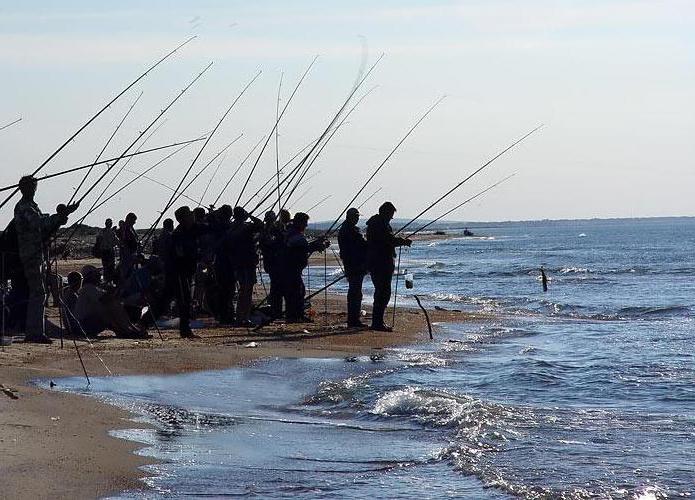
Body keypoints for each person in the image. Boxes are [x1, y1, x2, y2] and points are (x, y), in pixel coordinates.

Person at [13, 175, 78, 343]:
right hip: (31, 255)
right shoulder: (24, 207)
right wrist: (60, 216)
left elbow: (43, 224)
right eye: (31, 187)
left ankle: (36, 331)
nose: (33, 190)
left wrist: (63, 215)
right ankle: (34, 333)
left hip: (37, 253)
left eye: (34, 186)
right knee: (38, 292)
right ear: (23, 188)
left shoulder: (32, 206)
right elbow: (40, 225)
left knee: (40, 292)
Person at [365, 201, 411, 332]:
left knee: (381, 292)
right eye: (391, 214)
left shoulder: (378, 224)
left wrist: (399, 241)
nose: (392, 217)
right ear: (386, 213)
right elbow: (387, 241)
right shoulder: (380, 225)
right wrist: (402, 241)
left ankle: (378, 321)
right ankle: (377, 323)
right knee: (383, 293)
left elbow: (387, 239)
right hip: (381, 263)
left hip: (378, 262)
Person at [74, 265, 148, 338]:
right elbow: (106, 299)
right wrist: (115, 290)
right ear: (90, 276)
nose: (99, 275)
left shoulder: (90, 288)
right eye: (96, 273)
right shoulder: (88, 288)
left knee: (111, 308)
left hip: (85, 324)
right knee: (112, 307)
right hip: (83, 325)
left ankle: (128, 330)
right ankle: (129, 330)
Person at [283, 212, 329, 322]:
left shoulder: (292, 233)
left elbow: (304, 246)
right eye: (305, 223)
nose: (306, 225)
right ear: (299, 222)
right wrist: (318, 245)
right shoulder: (294, 234)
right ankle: (294, 316)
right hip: (292, 268)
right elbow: (304, 247)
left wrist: (318, 243)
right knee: (296, 291)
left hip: (292, 268)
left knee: (298, 291)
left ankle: (296, 315)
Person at [226, 207, 263, 326]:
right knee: (247, 291)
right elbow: (260, 225)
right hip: (247, 263)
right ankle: (244, 317)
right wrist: (251, 216)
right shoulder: (245, 228)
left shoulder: (231, 228)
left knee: (243, 290)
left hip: (236, 263)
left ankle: (240, 316)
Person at [170, 206, 200, 338]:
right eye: (190, 215)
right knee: (183, 299)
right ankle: (185, 329)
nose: (192, 216)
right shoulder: (179, 234)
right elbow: (180, 254)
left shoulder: (187, 232)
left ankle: (185, 328)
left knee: (183, 299)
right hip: (179, 272)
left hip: (185, 271)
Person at [338, 207, 368, 328]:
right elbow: (362, 245)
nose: (357, 219)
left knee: (354, 291)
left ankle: (353, 318)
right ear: (350, 217)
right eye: (356, 217)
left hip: (350, 263)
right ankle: (353, 320)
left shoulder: (344, 229)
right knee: (355, 292)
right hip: (355, 264)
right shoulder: (351, 231)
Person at [259, 210, 285, 318]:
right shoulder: (269, 231)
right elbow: (274, 243)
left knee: (276, 286)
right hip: (274, 262)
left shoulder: (267, 230)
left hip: (270, 262)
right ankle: (276, 310)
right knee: (276, 287)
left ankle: (276, 309)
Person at [118, 212, 139, 282]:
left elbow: (135, 237)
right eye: (133, 221)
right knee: (126, 271)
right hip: (127, 253)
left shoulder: (129, 228)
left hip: (130, 253)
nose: (134, 222)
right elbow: (126, 240)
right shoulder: (125, 229)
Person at [97, 218, 120, 283]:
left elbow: (98, 240)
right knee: (111, 266)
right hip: (109, 251)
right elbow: (116, 242)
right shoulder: (112, 232)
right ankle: (109, 280)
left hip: (103, 251)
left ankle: (106, 279)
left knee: (105, 266)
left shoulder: (102, 231)